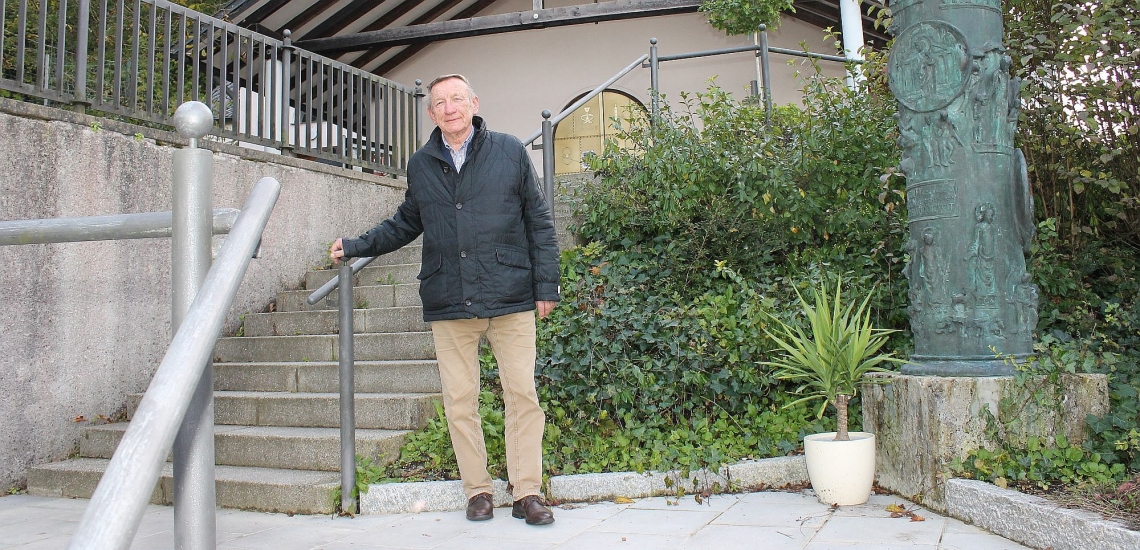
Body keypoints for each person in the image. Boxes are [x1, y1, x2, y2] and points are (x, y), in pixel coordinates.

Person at [329, 74, 560, 525]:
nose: (450, 107)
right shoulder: (420, 164)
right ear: (431, 113)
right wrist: (356, 245)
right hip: (449, 299)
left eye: (458, 98)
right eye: (441, 102)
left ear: (474, 102)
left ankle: (526, 492)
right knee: (459, 401)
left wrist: (545, 284)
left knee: (523, 395)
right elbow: (404, 224)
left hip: (510, 295)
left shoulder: (509, 150)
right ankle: (478, 491)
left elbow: (539, 221)